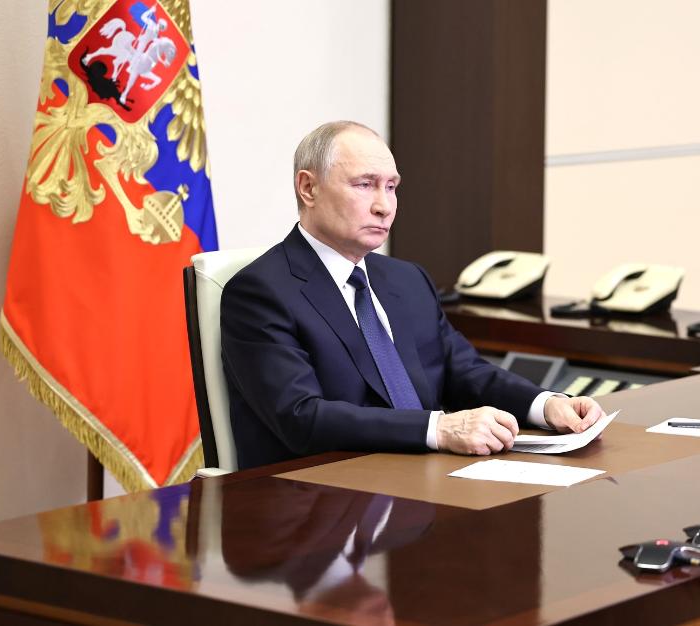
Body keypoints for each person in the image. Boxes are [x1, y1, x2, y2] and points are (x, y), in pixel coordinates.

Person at [221, 121, 604, 469]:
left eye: (391, 187)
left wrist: (546, 405)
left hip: (424, 479)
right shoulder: (260, 292)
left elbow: (463, 372)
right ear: (308, 188)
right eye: (364, 185)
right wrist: (439, 429)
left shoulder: (407, 279)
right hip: (320, 494)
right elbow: (301, 418)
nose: (384, 206)